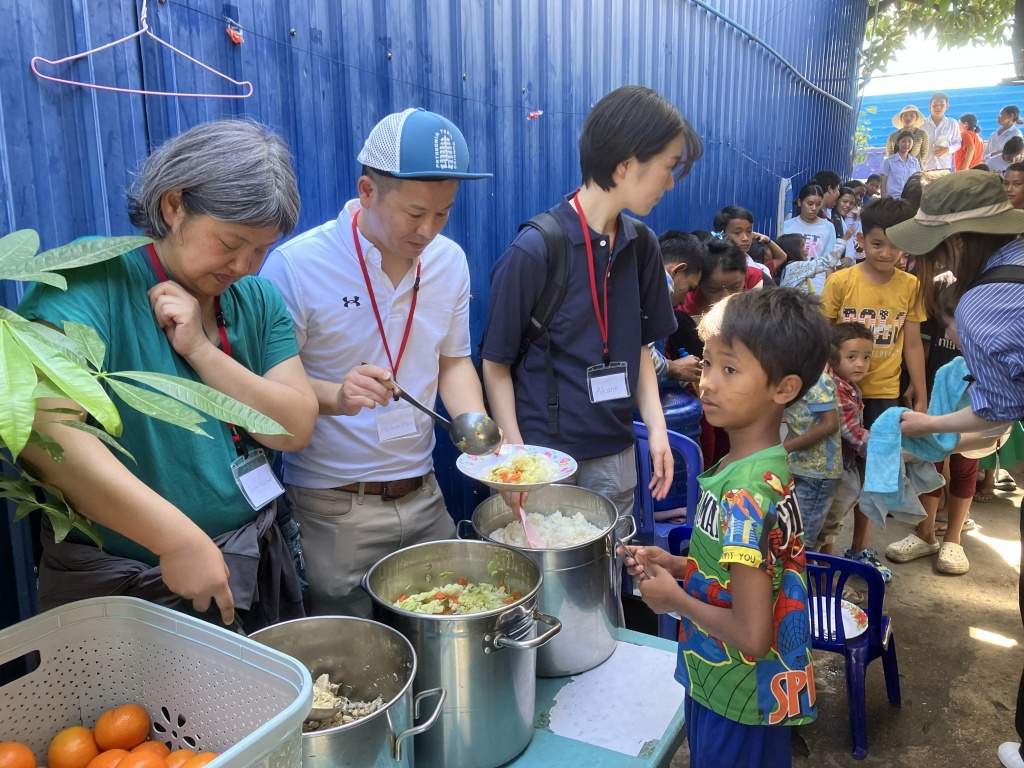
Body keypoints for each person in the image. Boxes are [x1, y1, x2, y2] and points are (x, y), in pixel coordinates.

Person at [17, 120, 318, 630]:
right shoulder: (93, 275)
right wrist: (175, 539)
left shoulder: (258, 298)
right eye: (230, 242)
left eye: (261, 249)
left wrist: (200, 350)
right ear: (173, 206)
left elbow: (293, 427)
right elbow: (46, 435)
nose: (244, 265)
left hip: (250, 552)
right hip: (127, 579)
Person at [261, 108, 493, 618]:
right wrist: (337, 394)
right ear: (367, 191)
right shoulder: (297, 267)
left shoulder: (449, 261)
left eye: (443, 213)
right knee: (346, 655)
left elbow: (454, 362)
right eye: (415, 213)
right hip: (332, 508)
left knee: (451, 626)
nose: (428, 230)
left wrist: (477, 432)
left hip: (424, 495)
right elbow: (268, 392)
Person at [481, 85, 702, 530]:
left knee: (611, 562)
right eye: (668, 166)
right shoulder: (536, 249)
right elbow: (495, 363)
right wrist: (516, 457)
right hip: (542, 459)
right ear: (626, 165)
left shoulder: (642, 245)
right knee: (542, 569)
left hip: (615, 452)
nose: (670, 183)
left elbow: (640, 347)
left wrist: (657, 429)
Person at [624, 288, 826, 768]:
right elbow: (746, 571)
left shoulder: (746, 497)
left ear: (784, 389)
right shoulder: (746, 466)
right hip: (723, 683)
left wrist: (674, 600)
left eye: (730, 369)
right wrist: (678, 566)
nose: (707, 382)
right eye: (708, 363)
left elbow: (753, 636)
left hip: (739, 695)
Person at [882, 170, 1024, 768]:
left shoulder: (984, 303)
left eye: (933, 250)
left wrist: (926, 426)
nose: (928, 264)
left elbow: (994, 417)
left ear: (960, 242)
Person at [819, 196, 927, 578]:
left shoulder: (910, 285)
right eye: (878, 243)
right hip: (838, 392)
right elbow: (821, 335)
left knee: (872, 473)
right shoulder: (841, 281)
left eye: (896, 245)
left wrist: (920, 391)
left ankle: (859, 548)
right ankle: (824, 546)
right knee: (833, 469)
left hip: (883, 392)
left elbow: (912, 343)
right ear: (861, 240)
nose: (887, 253)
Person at [884, 279, 977, 574]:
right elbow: (922, 345)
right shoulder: (940, 293)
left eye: (950, 326)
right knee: (929, 460)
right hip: (937, 396)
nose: (947, 333)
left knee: (965, 464)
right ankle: (924, 533)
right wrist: (920, 390)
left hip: (974, 405)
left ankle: (953, 538)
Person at [815, 323, 874, 555]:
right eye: (852, 357)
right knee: (824, 526)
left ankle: (823, 566)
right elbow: (853, 432)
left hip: (841, 465)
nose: (860, 364)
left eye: (866, 357)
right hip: (831, 469)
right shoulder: (835, 388)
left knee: (830, 525)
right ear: (833, 357)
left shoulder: (849, 387)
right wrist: (886, 448)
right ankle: (813, 570)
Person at [783, 369, 841, 548]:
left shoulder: (817, 380)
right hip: (797, 467)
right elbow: (797, 426)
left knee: (801, 543)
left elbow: (829, 424)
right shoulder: (789, 377)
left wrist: (785, 449)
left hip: (818, 473)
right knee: (789, 537)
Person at [657, 230, 706, 387]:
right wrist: (673, 367)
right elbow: (634, 353)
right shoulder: (651, 288)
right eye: (689, 288)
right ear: (676, 271)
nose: (683, 301)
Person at [783, 183, 837, 293]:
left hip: (818, 285)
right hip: (792, 284)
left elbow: (829, 262)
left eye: (818, 204)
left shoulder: (828, 227)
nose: (814, 208)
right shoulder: (786, 226)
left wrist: (829, 290)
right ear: (800, 202)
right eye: (810, 204)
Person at [712, 206, 784, 280]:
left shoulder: (761, 270)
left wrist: (768, 240)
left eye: (749, 231)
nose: (745, 238)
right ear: (721, 234)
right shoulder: (712, 268)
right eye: (737, 232)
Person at [774, 226, 842, 293]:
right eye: (802, 246)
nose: (806, 249)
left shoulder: (787, 268)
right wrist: (843, 240)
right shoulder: (797, 267)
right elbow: (828, 262)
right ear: (793, 250)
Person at [921, 92, 962, 181]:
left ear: (947, 106)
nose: (938, 107)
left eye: (941, 105)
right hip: (927, 167)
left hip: (944, 167)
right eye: (935, 105)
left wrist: (947, 149)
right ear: (930, 107)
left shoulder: (952, 123)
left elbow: (958, 142)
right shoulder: (922, 124)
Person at [880, 130, 923, 199]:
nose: (906, 144)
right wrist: (883, 199)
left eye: (909, 141)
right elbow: (883, 181)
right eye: (903, 141)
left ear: (913, 144)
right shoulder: (888, 161)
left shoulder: (915, 162)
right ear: (897, 143)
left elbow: (918, 181)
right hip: (893, 199)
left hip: (910, 198)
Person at [837, 186, 862, 264]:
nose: (848, 205)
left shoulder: (855, 221)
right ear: (836, 200)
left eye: (851, 203)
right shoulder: (831, 219)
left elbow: (860, 247)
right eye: (845, 201)